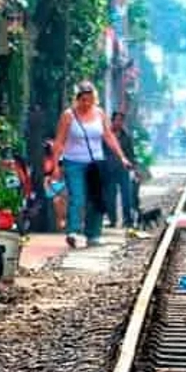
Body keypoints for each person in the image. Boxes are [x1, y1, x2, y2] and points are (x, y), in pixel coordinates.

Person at [52, 81, 133, 249]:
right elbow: (59, 142)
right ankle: (72, 232)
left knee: (96, 199)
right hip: (73, 162)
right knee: (78, 197)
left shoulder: (99, 114)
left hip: (96, 162)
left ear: (94, 99)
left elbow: (109, 136)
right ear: (77, 99)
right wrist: (55, 166)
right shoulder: (68, 115)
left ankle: (93, 234)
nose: (86, 103)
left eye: (89, 100)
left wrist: (122, 157)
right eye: (83, 100)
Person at [106, 111, 140, 229]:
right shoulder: (106, 135)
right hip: (109, 170)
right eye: (117, 120)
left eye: (121, 120)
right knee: (110, 196)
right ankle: (112, 220)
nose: (119, 123)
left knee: (127, 196)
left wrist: (135, 169)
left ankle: (128, 220)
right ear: (112, 121)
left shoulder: (126, 136)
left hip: (123, 169)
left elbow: (131, 154)